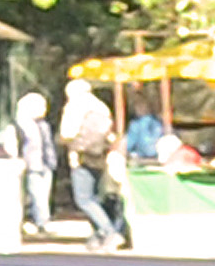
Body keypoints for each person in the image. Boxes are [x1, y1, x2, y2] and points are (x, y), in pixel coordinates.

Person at [61, 79, 128, 247]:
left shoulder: (75, 106)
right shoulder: (101, 107)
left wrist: (67, 144)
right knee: (96, 197)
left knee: (84, 199)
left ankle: (110, 232)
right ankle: (98, 237)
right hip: (99, 157)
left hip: (82, 156)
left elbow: (67, 133)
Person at [13, 91, 56, 238]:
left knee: (43, 195)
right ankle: (41, 223)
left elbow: (48, 144)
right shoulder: (21, 125)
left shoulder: (43, 125)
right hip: (31, 164)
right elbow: (17, 144)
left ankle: (40, 221)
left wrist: (51, 161)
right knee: (37, 196)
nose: (44, 109)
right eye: (41, 106)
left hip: (45, 164)